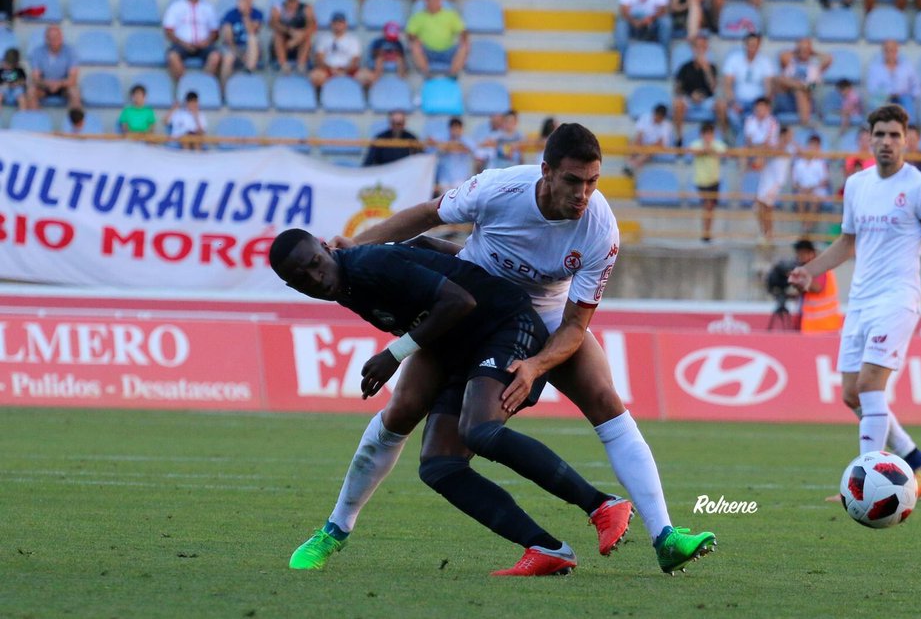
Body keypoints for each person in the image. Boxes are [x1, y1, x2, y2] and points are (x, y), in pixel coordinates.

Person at [323, 123, 718, 575]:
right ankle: (336, 528)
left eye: (592, 182)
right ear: (545, 172)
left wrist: (535, 365)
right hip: (467, 305)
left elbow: (574, 324)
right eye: (573, 181)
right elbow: (428, 214)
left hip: (542, 319)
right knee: (405, 412)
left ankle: (664, 535)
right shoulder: (498, 188)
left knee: (605, 399)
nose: (583, 194)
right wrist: (359, 245)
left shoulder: (601, 229)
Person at [275, 230, 633, 577]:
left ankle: (601, 504)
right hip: (462, 347)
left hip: (507, 325)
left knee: (478, 430)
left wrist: (395, 353)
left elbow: (460, 301)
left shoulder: (369, 264)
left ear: (325, 248)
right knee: (439, 464)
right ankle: (545, 548)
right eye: (302, 277)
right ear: (292, 288)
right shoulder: (345, 283)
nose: (315, 277)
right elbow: (426, 265)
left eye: (315, 263)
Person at [790, 103, 921, 499]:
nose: (886, 142)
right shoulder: (857, 185)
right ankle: (916, 458)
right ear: (869, 139)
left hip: (898, 299)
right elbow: (847, 241)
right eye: (880, 134)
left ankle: (865, 485)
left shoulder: (919, 187)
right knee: (851, 394)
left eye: (894, 135)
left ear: (907, 140)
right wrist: (811, 270)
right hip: (861, 300)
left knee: (869, 384)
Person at [163, 0, 221, 81]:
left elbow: (215, 32)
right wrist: (184, 43)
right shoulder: (176, 6)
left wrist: (206, 42)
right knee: (172, 56)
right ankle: (185, 86)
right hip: (182, 44)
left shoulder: (208, 8)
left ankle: (204, 85)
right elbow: (169, 31)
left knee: (215, 56)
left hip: (203, 44)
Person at [744, 99, 784, 245]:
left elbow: (768, 144)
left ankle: (768, 234)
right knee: (759, 204)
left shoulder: (772, 122)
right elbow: (750, 142)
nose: (760, 111)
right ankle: (765, 233)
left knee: (766, 203)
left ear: (768, 109)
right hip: (760, 166)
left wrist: (759, 150)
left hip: (772, 168)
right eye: (758, 108)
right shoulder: (750, 121)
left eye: (763, 108)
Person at [406, 0, 468, 78]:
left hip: (448, 51)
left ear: (440, 0)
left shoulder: (450, 15)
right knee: (414, 46)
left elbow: (463, 31)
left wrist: (463, 39)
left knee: (464, 46)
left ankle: (453, 73)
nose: (431, 1)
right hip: (427, 52)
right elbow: (410, 34)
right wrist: (416, 39)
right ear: (425, 1)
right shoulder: (418, 17)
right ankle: (426, 74)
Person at [722, 32, 776, 135]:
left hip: (757, 103)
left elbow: (768, 88)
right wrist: (733, 102)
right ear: (745, 45)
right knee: (731, 114)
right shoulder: (734, 59)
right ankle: (739, 138)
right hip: (738, 101)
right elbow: (727, 85)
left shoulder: (765, 62)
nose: (752, 49)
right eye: (750, 45)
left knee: (763, 116)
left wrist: (762, 105)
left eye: (755, 46)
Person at [672, 33, 724, 138]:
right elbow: (677, 89)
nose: (700, 50)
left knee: (722, 105)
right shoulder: (685, 67)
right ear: (693, 48)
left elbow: (713, 88)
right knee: (677, 104)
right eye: (698, 47)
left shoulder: (712, 67)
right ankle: (679, 137)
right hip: (689, 99)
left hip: (707, 100)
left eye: (703, 47)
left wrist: (706, 70)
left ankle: (723, 137)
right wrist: (691, 95)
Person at [775, 37, 831, 127]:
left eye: (806, 49)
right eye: (801, 48)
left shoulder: (815, 65)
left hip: (807, 96)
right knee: (780, 79)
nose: (804, 51)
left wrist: (814, 52)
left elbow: (829, 58)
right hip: (789, 97)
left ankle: (805, 121)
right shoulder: (791, 62)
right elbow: (782, 56)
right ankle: (800, 87)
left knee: (801, 91)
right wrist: (799, 85)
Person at [792, 239, 843, 333]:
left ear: (811, 253)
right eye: (798, 254)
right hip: (811, 326)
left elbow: (817, 288)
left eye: (802, 254)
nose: (800, 258)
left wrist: (799, 279)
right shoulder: (807, 269)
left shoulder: (819, 267)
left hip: (825, 325)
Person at [310, 11, 370, 90]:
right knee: (315, 77)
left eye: (340, 22)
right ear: (331, 24)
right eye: (335, 22)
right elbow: (319, 58)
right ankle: (325, 95)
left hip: (348, 70)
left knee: (367, 77)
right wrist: (331, 69)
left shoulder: (353, 40)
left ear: (345, 24)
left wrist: (345, 71)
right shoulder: (323, 39)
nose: (338, 25)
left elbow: (355, 60)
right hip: (328, 69)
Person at [27, 25, 81, 110]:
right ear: (46, 39)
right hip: (44, 86)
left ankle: (74, 121)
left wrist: (59, 84)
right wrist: (47, 83)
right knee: (31, 91)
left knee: (74, 92)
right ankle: (36, 120)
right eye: (50, 38)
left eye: (56, 37)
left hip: (64, 87)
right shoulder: (37, 52)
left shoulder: (71, 52)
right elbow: (35, 78)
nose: (53, 41)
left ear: (61, 37)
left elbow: (73, 79)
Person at [270, 0, 317, 74]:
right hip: (283, 45)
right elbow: (273, 23)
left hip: (299, 45)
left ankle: (301, 65)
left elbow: (313, 25)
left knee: (307, 36)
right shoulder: (278, 7)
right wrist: (290, 31)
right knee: (278, 35)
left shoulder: (306, 8)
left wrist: (299, 38)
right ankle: (283, 65)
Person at [690, 121, 726, 243]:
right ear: (702, 135)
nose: (708, 137)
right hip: (701, 181)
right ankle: (706, 233)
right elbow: (694, 152)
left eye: (710, 134)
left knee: (710, 208)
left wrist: (709, 150)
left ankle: (707, 232)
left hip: (714, 181)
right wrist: (706, 150)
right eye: (706, 134)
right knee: (707, 206)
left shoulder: (718, 144)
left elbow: (723, 153)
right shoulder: (696, 144)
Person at [219, 0, 264, 83]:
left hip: (250, 49)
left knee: (252, 39)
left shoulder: (257, 14)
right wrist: (238, 54)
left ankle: (248, 71)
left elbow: (252, 31)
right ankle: (224, 91)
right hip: (234, 48)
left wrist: (245, 15)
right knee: (228, 57)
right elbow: (228, 39)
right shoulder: (230, 14)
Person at [865, 39, 921, 116]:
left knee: (908, 103)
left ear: (897, 51)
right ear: (883, 52)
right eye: (887, 50)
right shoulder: (875, 68)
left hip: (903, 98)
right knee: (874, 104)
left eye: (893, 50)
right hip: (883, 98)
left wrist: (910, 96)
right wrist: (888, 94)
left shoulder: (907, 67)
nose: (890, 53)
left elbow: (916, 85)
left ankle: (908, 125)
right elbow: (871, 88)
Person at [792, 133, 831, 235]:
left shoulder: (821, 163)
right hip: (802, 190)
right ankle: (805, 226)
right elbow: (795, 183)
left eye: (815, 146)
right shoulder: (798, 163)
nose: (813, 148)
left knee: (814, 199)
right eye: (811, 145)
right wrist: (802, 188)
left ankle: (806, 227)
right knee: (799, 198)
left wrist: (811, 188)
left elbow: (824, 181)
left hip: (816, 191)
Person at [433, 117, 482, 194]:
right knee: (444, 202)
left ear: (461, 129)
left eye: (457, 128)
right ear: (450, 129)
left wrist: (451, 147)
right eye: (453, 128)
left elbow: (471, 150)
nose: (455, 131)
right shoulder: (443, 139)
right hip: (445, 178)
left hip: (461, 178)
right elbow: (436, 148)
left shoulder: (467, 141)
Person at [627, 103, 673, 174]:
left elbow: (660, 143)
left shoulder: (666, 126)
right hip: (643, 144)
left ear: (663, 117)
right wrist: (639, 145)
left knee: (652, 149)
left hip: (653, 147)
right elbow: (639, 135)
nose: (657, 118)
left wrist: (647, 147)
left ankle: (633, 164)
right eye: (656, 115)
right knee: (633, 141)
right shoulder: (645, 117)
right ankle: (630, 161)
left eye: (660, 117)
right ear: (654, 113)